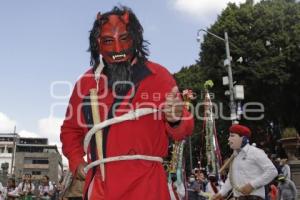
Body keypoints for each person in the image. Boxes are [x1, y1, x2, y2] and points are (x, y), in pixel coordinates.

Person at [60, 5, 194, 200]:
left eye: (124, 38)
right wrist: (75, 160)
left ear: (135, 39)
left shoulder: (159, 76)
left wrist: (176, 119)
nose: (117, 49)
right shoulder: (85, 83)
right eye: (108, 41)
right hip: (101, 187)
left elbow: (184, 129)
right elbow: (70, 130)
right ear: (97, 44)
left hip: (148, 186)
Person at [212, 124, 278, 200]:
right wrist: (220, 193)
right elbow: (231, 180)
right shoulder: (234, 157)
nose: (229, 139)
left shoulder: (255, 152)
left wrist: (252, 185)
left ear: (243, 138)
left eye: (232, 136)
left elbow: (272, 171)